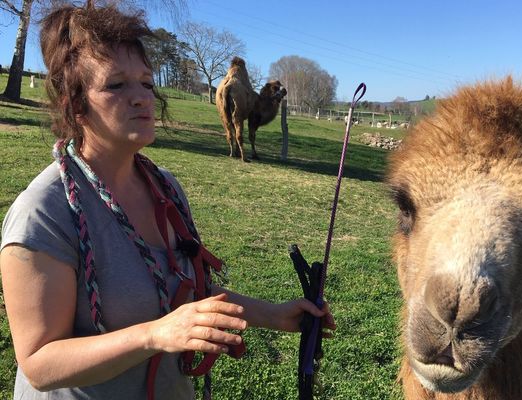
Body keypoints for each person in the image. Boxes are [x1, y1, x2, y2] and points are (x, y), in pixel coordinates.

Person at [0, 3, 335, 400]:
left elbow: (188, 296)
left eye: (146, 82)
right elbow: (39, 362)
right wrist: (156, 334)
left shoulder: (166, 189)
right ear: (75, 103)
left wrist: (275, 314)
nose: (142, 98)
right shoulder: (45, 212)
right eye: (116, 85)